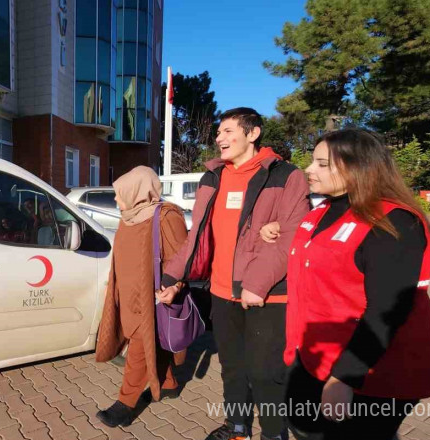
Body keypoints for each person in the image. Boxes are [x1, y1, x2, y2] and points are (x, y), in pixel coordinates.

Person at [258, 129, 430, 440]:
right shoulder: (320, 213)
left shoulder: (393, 222)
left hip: (369, 374)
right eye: (312, 162)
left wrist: (345, 378)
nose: (309, 170)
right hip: (314, 358)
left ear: (359, 167)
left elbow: (386, 310)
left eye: (322, 164)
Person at [158, 108, 310, 440]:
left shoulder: (286, 175)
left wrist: (256, 285)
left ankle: (274, 432)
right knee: (232, 367)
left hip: (268, 295)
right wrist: (173, 279)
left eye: (228, 131)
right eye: (218, 132)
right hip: (222, 293)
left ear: (253, 133)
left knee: (266, 373)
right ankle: (237, 426)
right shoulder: (212, 177)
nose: (219, 138)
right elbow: (197, 235)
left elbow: (294, 236)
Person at [94, 166, 188, 427]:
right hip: (128, 296)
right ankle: (168, 384)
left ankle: (125, 404)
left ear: (137, 191)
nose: (115, 199)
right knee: (153, 344)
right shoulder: (129, 217)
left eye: (119, 193)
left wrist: (175, 287)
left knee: (140, 346)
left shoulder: (166, 216)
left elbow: (180, 258)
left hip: (153, 299)